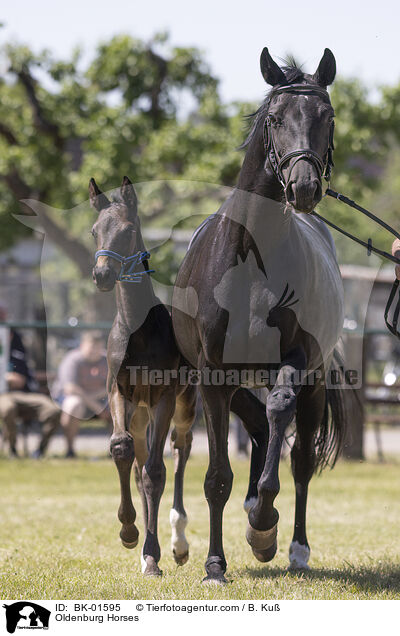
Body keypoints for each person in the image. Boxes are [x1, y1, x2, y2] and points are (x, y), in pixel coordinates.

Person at [0, 306, 60, 457]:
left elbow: (24, 376)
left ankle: (40, 451)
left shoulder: (16, 342)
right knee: (8, 409)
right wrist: (6, 378)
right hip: (3, 394)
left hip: (25, 393)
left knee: (53, 410)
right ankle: (12, 451)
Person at [53, 331, 109, 458]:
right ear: (82, 345)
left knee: (120, 407)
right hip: (72, 399)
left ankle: (117, 451)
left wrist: (96, 403)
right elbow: (70, 388)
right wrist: (96, 406)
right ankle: (70, 451)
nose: (94, 350)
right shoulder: (73, 359)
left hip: (99, 400)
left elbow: (112, 387)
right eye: (91, 346)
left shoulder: (107, 360)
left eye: (98, 346)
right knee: (74, 405)